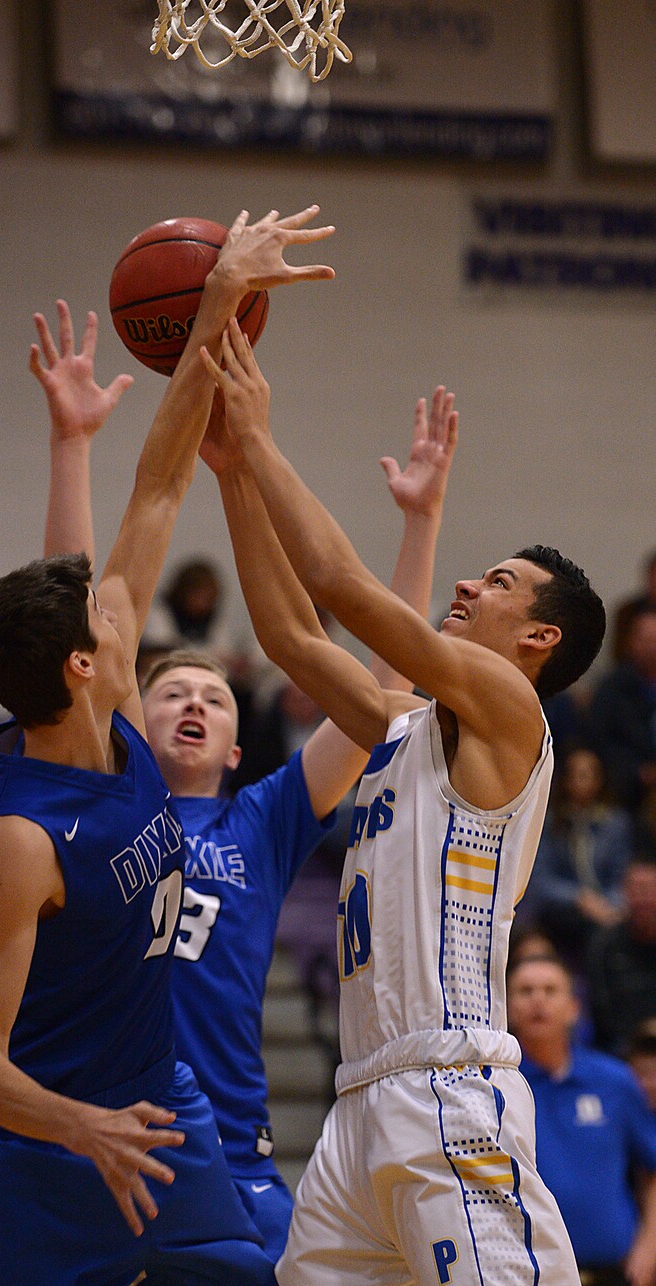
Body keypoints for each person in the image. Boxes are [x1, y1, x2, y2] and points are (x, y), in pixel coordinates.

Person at [0, 205, 336, 1286]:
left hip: (163, 1115)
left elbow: (160, 483)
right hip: (39, 1150)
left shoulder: (115, 711)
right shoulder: (20, 839)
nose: (125, 603)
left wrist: (216, 310)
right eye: (103, 618)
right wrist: (83, 1126)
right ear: (86, 664)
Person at [38, 312, 461, 1267]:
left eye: (213, 699)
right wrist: (72, 446)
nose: (192, 703)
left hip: (229, 1145)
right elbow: (79, 629)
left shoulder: (262, 818)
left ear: (238, 747)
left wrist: (420, 522)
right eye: (170, 693)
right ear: (131, 725)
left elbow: (383, 703)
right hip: (93, 1133)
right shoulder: (110, 793)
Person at [199, 318, 607, 1284]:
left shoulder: (512, 710)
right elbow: (297, 640)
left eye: (499, 582)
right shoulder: (406, 723)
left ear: (539, 638)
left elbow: (338, 582)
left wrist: (260, 437)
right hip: (360, 1105)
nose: (470, 581)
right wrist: (232, 477)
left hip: (450, 1089)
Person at [507, 953, 656, 1286]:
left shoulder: (614, 1080)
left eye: (550, 989)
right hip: (525, 1275)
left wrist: (649, 1246)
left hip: (615, 1273)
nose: (538, 1000)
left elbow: (652, 1165)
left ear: (574, 1007)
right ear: (507, 1006)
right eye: (526, 990)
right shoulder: (495, 1087)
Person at [523, 742, 633, 963]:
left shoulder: (616, 823)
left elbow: (621, 876)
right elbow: (541, 881)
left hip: (608, 908)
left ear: (600, 779)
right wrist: (580, 898)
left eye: (588, 774)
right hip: (563, 909)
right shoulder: (548, 821)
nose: (581, 781)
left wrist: (610, 906)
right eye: (575, 774)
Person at [587, 847, 656, 1056]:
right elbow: (602, 1010)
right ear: (623, 893)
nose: (642, 898)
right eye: (636, 889)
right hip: (620, 1049)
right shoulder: (604, 943)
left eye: (649, 889)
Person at [589, 606, 656, 818]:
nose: (650, 647)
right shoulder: (611, 688)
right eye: (644, 639)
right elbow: (597, 741)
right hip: (625, 792)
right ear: (630, 641)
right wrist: (638, 771)